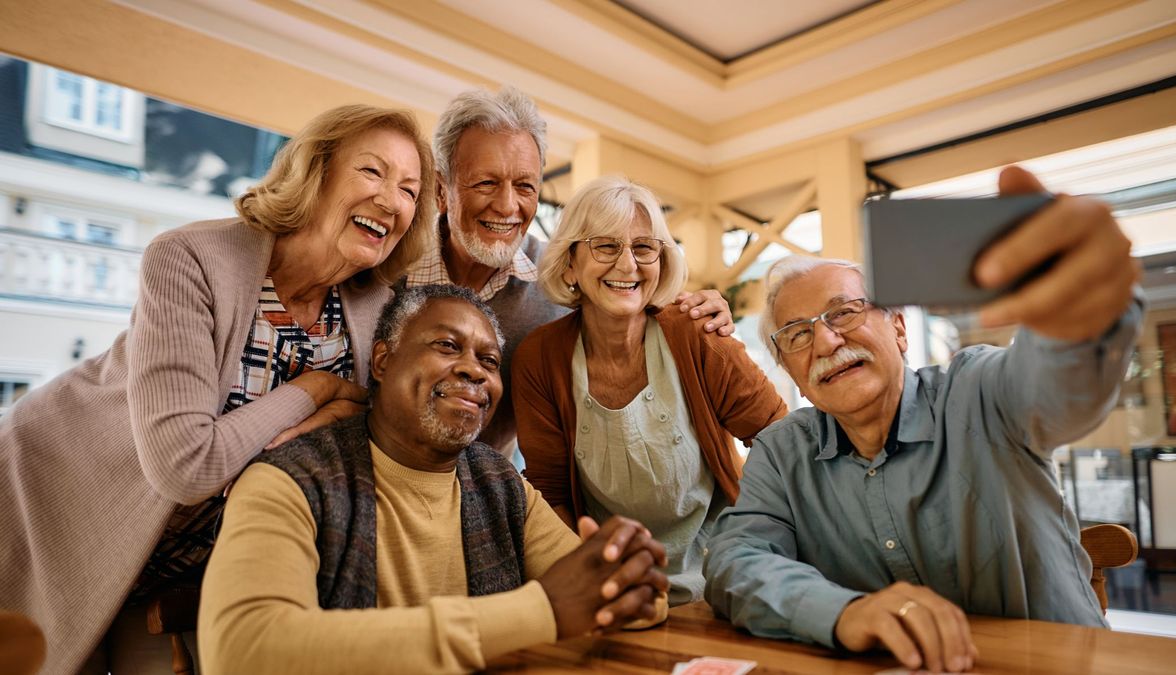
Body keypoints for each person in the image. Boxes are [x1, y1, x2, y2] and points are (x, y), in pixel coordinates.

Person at [0, 104, 438, 673]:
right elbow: (186, 465)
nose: (391, 200)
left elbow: (356, 439)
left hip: (183, 561)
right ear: (316, 171)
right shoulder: (190, 258)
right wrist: (312, 390)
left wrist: (337, 416)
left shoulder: (373, 308)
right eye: (372, 172)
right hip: (61, 506)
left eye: (409, 189)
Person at [703, 166, 1143, 673]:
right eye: (797, 335)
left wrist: (1082, 315)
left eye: (843, 312)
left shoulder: (979, 392)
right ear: (793, 375)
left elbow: (1060, 387)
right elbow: (735, 561)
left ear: (898, 328)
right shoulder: (783, 452)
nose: (825, 342)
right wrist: (844, 612)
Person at [198, 284, 668, 674]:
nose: (473, 370)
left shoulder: (500, 483)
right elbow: (243, 651)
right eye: (447, 346)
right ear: (382, 362)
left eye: (489, 361)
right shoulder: (289, 481)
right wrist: (540, 612)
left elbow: (614, 598)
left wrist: (631, 576)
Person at [399, 87, 734, 458]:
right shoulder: (387, 270)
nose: (508, 205)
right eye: (486, 183)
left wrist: (701, 311)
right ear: (441, 189)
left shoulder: (562, 276)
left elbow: (633, 306)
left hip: (488, 491)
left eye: (525, 186)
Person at [513, 176, 788, 606]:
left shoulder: (697, 331)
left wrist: (750, 540)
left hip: (725, 579)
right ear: (569, 263)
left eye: (644, 248)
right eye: (605, 246)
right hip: (615, 587)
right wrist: (595, 580)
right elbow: (551, 494)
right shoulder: (539, 358)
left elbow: (780, 441)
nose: (628, 266)